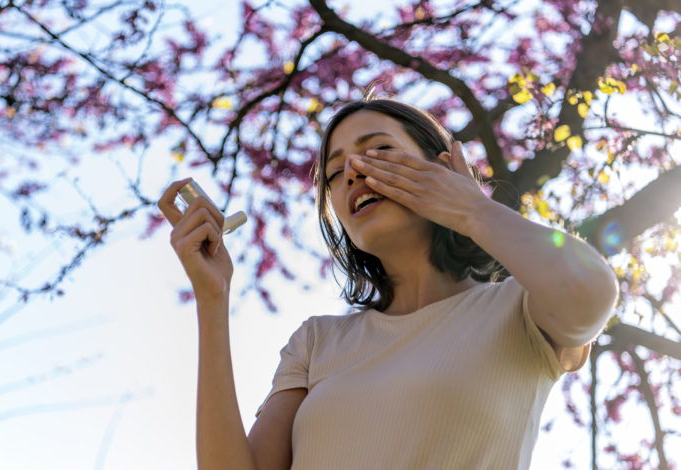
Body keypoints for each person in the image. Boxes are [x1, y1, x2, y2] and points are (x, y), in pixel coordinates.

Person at [157, 98, 619, 470]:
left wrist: (472, 209)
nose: (354, 171)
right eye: (336, 173)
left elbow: (590, 292)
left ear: (442, 168)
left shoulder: (519, 312)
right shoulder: (317, 342)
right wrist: (211, 298)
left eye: (379, 150)